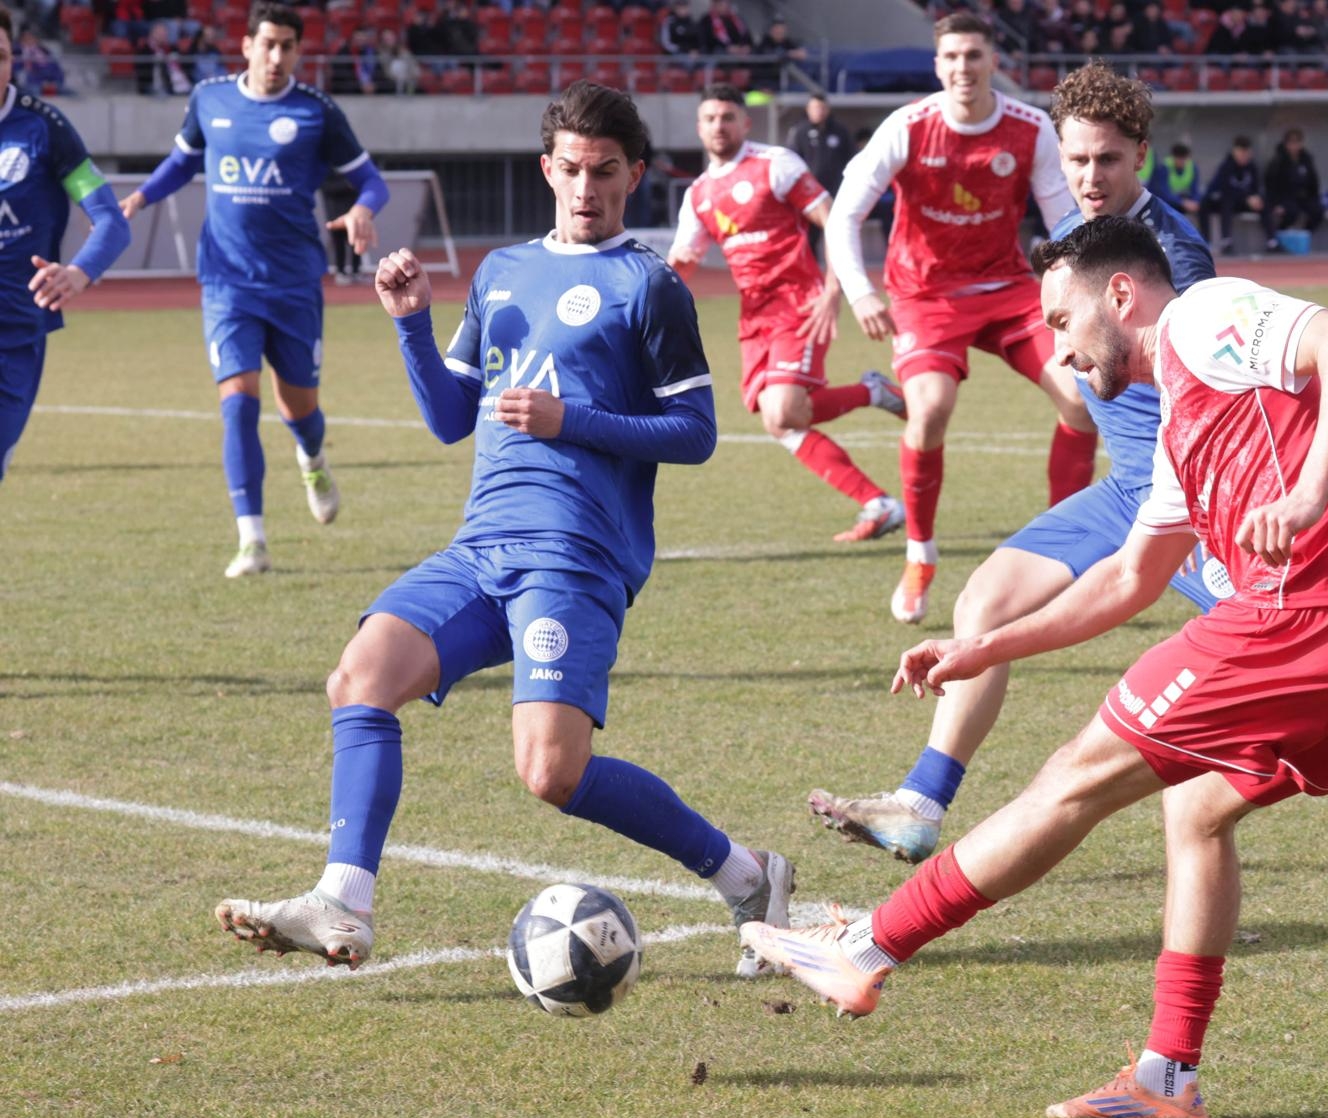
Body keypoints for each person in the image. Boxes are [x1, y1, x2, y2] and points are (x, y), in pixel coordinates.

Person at [748, 217, 1328, 1118]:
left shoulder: (1202, 316)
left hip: (1309, 610)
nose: (1060, 350)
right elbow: (1126, 580)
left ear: (1120, 295)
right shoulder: (1177, 441)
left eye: (1061, 320)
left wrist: (1308, 493)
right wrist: (982, 647)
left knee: (1074, 776)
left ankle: (867, 948)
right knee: (1197, 808)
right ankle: (1168, 1079)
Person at [808, 62, 1328, 897]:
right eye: (1073, 161)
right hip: (1126, 488)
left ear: (1140, 155)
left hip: (1187, 497)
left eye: (1106, 160)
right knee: (987, 599)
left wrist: (1281, 486)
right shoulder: (1080, 239)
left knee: (1309, 649)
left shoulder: (1168, 256)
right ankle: (922, 802)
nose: (1088, 177)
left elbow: (1228, 375)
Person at [213, 80, 795, 979]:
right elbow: (454, 416)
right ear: (547, 169)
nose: (587, 187)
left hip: (576, 556)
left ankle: (748, 875)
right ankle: (345, 898)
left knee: (552, 773)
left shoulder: (651, 287)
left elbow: (698, 433)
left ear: (635, 174)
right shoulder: (502, 272)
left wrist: (575, 422)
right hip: (481, 546)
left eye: (606, 171)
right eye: (571, 169)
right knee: (360, 677)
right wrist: (413, 325)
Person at [824, 12, 1082, 625]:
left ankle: (1064, 551)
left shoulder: (1029, 127)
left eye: (974, 56)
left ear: (994, 61)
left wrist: (1076, 292)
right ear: (937, 66)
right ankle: (921, 554)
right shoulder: (908, 127)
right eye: (952, 58)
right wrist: (861, 292)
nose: (963, 67)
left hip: (1009, 288)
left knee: (1080, 398)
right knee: (931, 408)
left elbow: (1064, 221)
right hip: (925, 294)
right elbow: (844, 215)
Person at [119, 2, 389, 577]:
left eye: (288, 46)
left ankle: (312, 457)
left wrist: (365, 210)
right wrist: (140, 198)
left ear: (297, 51)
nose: (276, 56)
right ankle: (253, 540)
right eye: (267, 43)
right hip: (226, 281)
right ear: (245, 45)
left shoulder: (316, 111)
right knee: (238, 404)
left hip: (293, 285)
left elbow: (371, 180)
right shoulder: (210, 99)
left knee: (301, 410)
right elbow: (181, 162)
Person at [668, 85, 908, 543]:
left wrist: (835, 286)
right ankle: (877, 493)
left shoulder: (775, 164)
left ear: (745, 122)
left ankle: (875, 441)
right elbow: (684, 261)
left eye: (727, 117)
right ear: (699, 128)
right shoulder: (698, 194)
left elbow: (833, 219)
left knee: (783, 409)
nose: (719, 126)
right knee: (780, 420)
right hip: (754, 316)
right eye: (710, 119)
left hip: (799, 303)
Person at [0, 3, 132, 483]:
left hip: (12, 336)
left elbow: (111, 221)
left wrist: (77, 272)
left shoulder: (43, 130)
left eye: (1, 56)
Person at [785, 93, 853, 261]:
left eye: (822, 108)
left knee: (839, 238)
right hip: (810, 198)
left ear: (828, 109)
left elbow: (852, 159)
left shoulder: (840, 131)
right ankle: (812, 279)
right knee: (809, 239)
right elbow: (791, 162)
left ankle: (840, 278)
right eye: (815, 108)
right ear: (808, 110)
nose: (819, 111)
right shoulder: (800, 132)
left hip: (836, 194)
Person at [1198, 135, 1268, 253]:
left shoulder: (1252, 167)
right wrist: (1246, 198)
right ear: (1235, 151)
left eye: (1246, 152)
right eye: (1241, 152)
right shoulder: (1226, 166)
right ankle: (1223, 241)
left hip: (1246, 203)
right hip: (1228, 202)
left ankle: (1272, 241)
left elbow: (1256, 188)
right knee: (1222, 201)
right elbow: (1223, 189)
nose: (1243, 156)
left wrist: (1256, 197)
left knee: (1264, 202)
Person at [1263, 126, 1324, 249]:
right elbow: (1270, 185)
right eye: (1291, 143)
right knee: (1291, 212)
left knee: (1318, 210)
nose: (1294, 146)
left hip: (1303, 197)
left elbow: (1314, 182)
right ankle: (1280, 237)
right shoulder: (1278, 161)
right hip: (1284, 198)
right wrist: (1276, 204)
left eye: (1297, 142)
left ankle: (1305, 234)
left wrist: (1315, 198)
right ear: (1286, 144)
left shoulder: (1306, 160)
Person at [1147, 141, 1201, 221]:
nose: (1182, 162)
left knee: (1203, 206)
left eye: (1185, 158)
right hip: (1168, 199)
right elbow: (1163, 193)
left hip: (1180, 198)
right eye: (1180, 158)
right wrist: (1182, 202)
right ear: (1173, 157)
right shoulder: (1164, 168)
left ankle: (1203, 233)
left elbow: (1195, 189)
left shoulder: (1193, 167)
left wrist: (1195, 202)